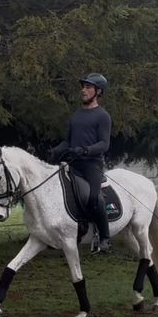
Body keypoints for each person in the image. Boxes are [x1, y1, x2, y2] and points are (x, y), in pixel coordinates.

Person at [51, 73, 113, 252]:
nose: (83, 90)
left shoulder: (103, 116)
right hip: (73, 165)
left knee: (95, 198)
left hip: (91, 165)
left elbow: (104, 144)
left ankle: (105, 239)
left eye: (88, 87)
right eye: (83, 87)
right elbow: (67, 142)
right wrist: (55, 151)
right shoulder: (76, 115)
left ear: (98, 91)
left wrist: (85, 150)